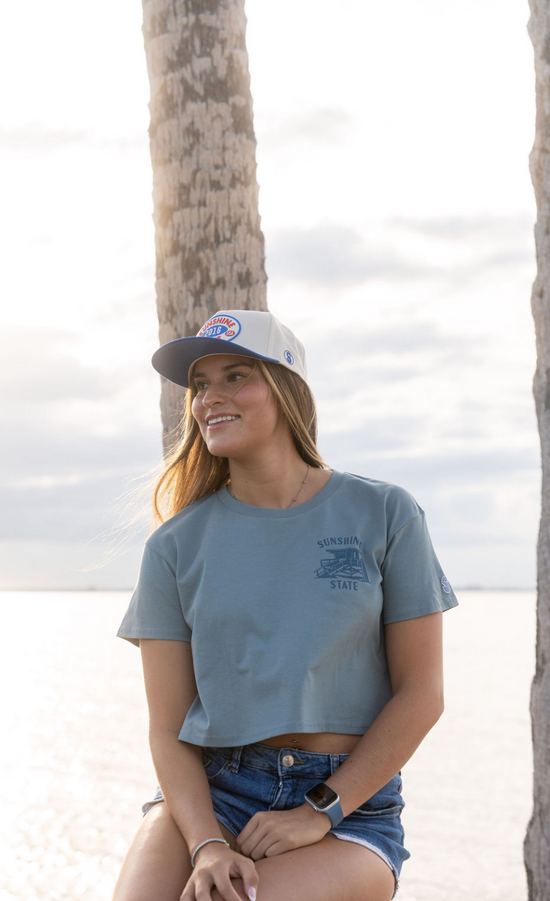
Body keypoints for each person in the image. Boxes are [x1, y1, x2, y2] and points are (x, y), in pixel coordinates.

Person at [112, 309, 458, 901]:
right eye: (200, 385)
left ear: (286, 388)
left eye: (235, 376)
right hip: (213, 795)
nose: (210, 398)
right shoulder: (174, 545)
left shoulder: (385, 513)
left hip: (349, 809)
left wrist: (319, 810)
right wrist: (206, 843)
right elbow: (168, 730)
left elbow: (421, 694)